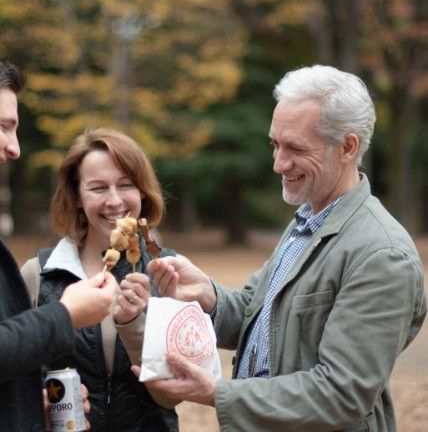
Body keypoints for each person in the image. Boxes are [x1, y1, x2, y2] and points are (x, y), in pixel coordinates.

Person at [136, 65, 427, 432]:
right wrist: (206, 295)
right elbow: (259, 317)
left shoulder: (382, 255)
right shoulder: (306, 221)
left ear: (348, 147)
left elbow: (341, 394)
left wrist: (218, 394)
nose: (278, 163)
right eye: (276, 144)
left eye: (296, 148)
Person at [21, 127, 180, 432]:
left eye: (126, 185)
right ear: (77, 196)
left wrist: (134, 324)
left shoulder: (166, 270)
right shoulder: (37, 275)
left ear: (142, 191)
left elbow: (171, 399)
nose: (114, 201)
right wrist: (33, 401)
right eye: (97, 188)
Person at [0, 61, 117, 432]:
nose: (15, 148)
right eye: (3, 127)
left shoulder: (166, 269)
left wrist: (29, 411)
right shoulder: (39, 271)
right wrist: (64, 316)